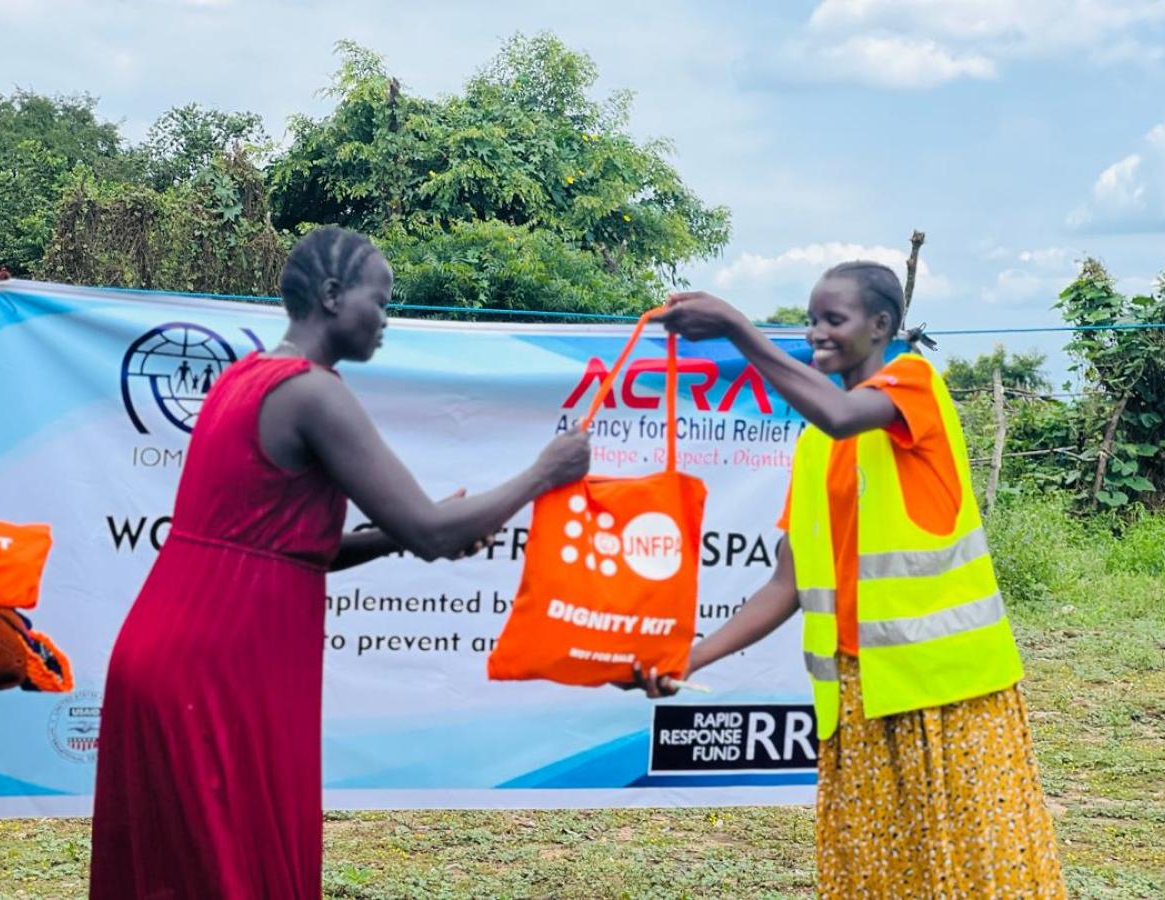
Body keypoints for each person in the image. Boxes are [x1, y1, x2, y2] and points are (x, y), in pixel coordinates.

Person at [89, 226, 591, 899]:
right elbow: (434, 532)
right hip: (217, 667)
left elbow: (291, 547)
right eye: (378, 300)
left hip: (171, 649)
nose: (385, 318)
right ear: (331, 296)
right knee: (231, 870)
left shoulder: (244, 378)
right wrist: (544, 472)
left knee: (180, 873)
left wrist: (395, 535)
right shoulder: (312, 392)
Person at [635, 261, 1066, 897]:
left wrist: (735, 328)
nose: (817, 334)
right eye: (811, 321)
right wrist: (690, 658)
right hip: (860, 704)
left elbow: (839, 411)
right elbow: (786, 585)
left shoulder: (913, 383)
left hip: (946, 697)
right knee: (879, 879)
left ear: (881, 325)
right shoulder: (816, 446)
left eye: (833, 320)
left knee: (981, 876)